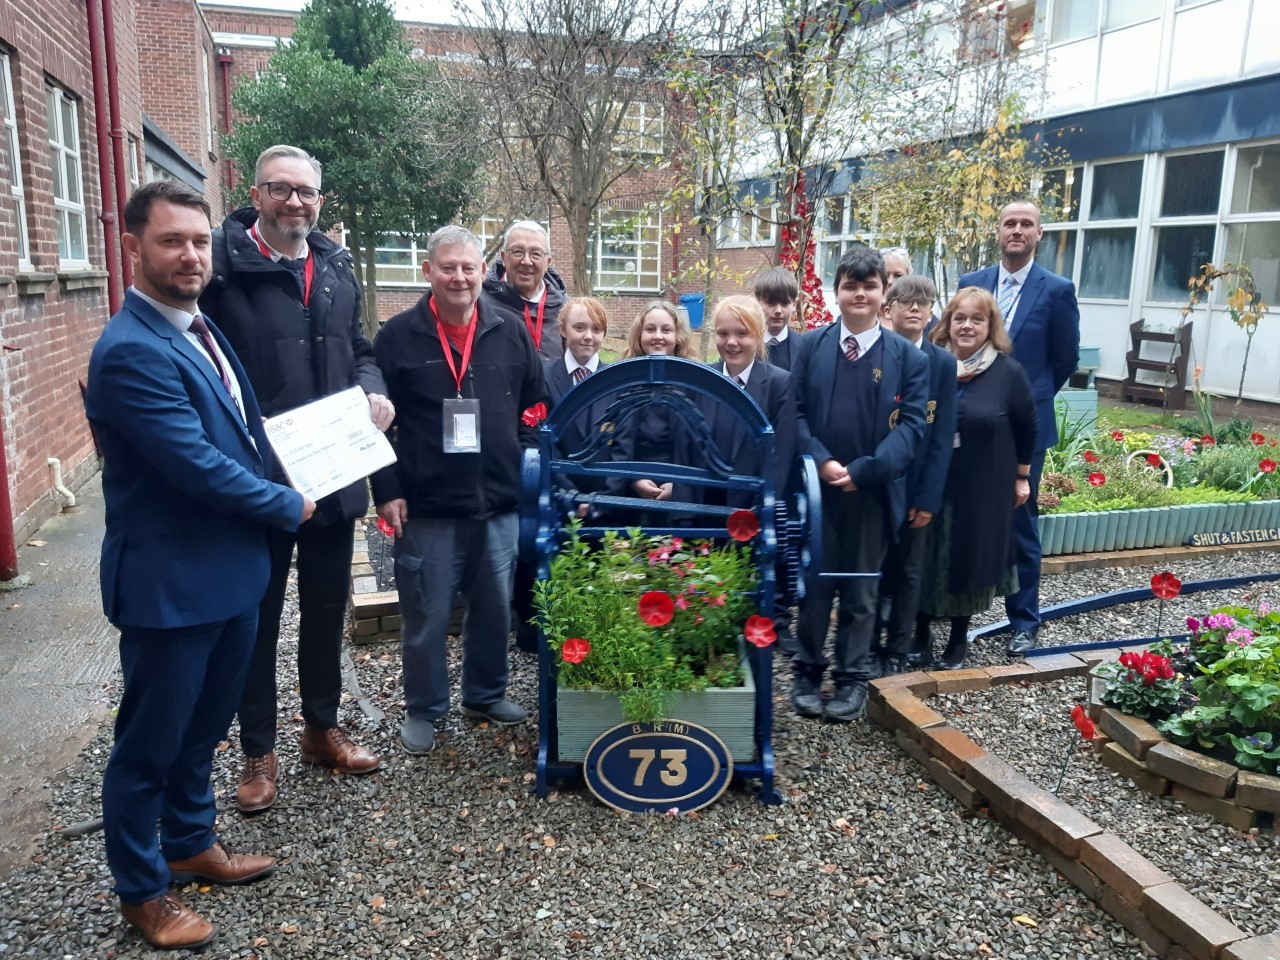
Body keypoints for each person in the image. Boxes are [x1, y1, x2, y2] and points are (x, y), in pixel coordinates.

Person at [86, 181, 314, 950]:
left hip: (230, 576)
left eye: (198, 240)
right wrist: (289, 504)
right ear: (132, 249)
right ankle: (142, 893)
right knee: (148, 747)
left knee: (205, 728)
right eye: (171, 241)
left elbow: (246, 435)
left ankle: (189, 843)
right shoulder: (130, 352)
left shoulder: (197, 328)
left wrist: (296, 469)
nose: (190, 254)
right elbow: (198, 466)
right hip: (171, 588)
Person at [200, 144, 388, 815]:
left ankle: (319, 728)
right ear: (255, 194)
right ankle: (258, 751)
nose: (294, 203)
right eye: (281, 190)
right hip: (262, 484)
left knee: (326, 610)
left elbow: (361, 351)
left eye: (306, 192)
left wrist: (373, 392)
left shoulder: (335, 267)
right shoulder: (223, 271)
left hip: (334, 476)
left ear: (320, 201)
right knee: (257, 616)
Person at [373, 225, 547, 756]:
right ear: (428, 272)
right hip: (426, 506)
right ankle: (424, 706)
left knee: (494, 607)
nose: (459, 277)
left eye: (468, 267)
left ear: (481, 272)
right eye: (448, 267)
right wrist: (388, 488)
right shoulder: (397, 337)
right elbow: (377, 428)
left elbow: (536, 406)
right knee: (425, 614)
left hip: (496, 502)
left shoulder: (510, 329)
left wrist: (517, 457)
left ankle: (485, 693)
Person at [790, 247, 928, 722]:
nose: (860, 294)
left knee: (862, 589)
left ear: (883, 293)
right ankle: (808, 670)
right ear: (837, 291)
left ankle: (850, 678)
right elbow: (797, 415)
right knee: (815, 586)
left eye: (869, 286)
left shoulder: (908, 358)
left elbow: (912, 428)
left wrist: (866, 469)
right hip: (818, 494)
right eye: (851, 285)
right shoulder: (810, 347)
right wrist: (823, 461)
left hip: (872, 493)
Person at [959, 199, 1080, 654]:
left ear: (1038, 234)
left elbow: (1065, 357)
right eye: (1009, 222)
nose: (1017, 230)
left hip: (1024, 426)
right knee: (965, 515)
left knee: (1020, 520)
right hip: (970, 418)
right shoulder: (973, 284)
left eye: (1026, 224)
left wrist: (1028, 395)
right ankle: (957, 615)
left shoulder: (1057, 290)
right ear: (997, 230)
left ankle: (1025, 621)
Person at [917, 288, 1037, 669]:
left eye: (977, 319)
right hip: (933, 482)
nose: (967, 325)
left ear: (990, 327)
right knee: (925, 555)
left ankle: (957, 640)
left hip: (983, 487)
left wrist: (1022, 477)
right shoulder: (930, 364)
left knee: (969, 558)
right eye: (960, 318)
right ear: (947, 323)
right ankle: (919, 634)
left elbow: (1028, 427)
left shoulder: (1008, 372)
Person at [692, 295, 799, 653]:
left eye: (742, 333)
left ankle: (773, 620)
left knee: (765, 562)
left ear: (758, 335)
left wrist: (765, 499)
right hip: (712, 497)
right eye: (723, 333)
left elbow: (782, 450)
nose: (732, 342)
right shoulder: (704, 380)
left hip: (756, 499)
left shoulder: (779, 383)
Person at [877, 274, 957, 674]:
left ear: (931, 313)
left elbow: (942, 436)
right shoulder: (878, 353)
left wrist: (928, 498)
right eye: (905, 301)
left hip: (918, 483)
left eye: (922, 303)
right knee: (875, 565)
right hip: (879, 481)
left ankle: (897, 647)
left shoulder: (943, 363)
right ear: (887, 309)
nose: (914, 308)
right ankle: (871, 641)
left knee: (910, 570)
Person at [614, 301, 694, 507]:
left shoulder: (693, 383)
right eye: (650, 329)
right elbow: (618, 442)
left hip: (680, 490)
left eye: (666, 330)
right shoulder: (623, 381)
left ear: (677, 337)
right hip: (634, 494)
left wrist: (679, 484)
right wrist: (634, 480)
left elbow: (698, 445)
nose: (658, 336)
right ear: (639, 336)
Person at [482, 219, 566, 362]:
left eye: (536, 254)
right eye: (517, 252)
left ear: (548, 262)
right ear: (504, 258)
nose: (526, 261)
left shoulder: (565, 308)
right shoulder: (480, 305)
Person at [753, 266, 801, 371]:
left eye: (784, 303)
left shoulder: (804, 348)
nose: (778, 310)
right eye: (771, 303)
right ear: (757, 302)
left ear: (794, 304)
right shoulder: (745, 344)